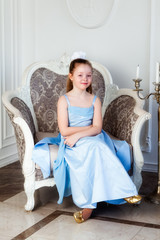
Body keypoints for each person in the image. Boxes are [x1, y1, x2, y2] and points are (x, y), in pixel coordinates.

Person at [32, 52, 142, 224]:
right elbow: (64, 129)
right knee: (93, 149)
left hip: (94, 137)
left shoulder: (94, 100)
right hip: (70, 141)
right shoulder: (64, 100)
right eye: (80, 75)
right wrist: (80, 133)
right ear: (71, 76)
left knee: (96, 147)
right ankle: (123, 191)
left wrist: (80, 134)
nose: (85, 78)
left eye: (89, 75)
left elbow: (97, 129)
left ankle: (93, 203)